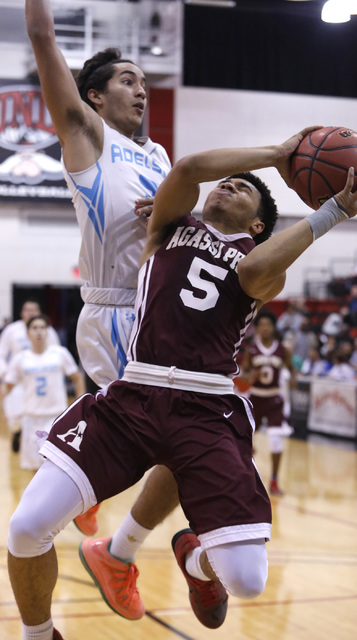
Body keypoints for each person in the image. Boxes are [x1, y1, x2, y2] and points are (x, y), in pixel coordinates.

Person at [8, 127, 357, 640]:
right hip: (135, 395)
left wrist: (333, 213)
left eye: (243, 190)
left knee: (249, 581)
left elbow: (259, 261)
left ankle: (196, 563)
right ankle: (38, 635)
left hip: (206, 408)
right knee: (25, 528)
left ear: (259, 222)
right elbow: (190, 169)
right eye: (227, 183)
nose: (227, 186)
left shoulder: (263, 264)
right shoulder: (168, 227)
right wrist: (278, 154)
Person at [25, 0, 182, 598]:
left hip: (156, 311)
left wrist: (179, 213)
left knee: (192, 438)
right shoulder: (88, 139)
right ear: (93, 97)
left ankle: (107, 533)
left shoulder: (159, 157)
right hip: (115, 313)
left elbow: (171, 237)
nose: (141, 90)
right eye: (126, 80)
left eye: (144, 81)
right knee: (182, 440)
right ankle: (113, 540)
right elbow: (42, 35)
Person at [4, 315, 85, 471]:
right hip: (30, 419)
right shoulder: (20, 359)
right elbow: (7, 386)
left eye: (42, 328)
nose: (39, 332)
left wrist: (79, 403)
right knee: (34, 470)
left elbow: (77, 378)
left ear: (48, 332)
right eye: (34, 328)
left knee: (56, 468)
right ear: (28, 333)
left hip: (55, 417)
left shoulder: (59, 353)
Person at [241, 310, 295, 496]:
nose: (265, 328)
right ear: (257, 329)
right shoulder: (251, 350)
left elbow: (292, 370)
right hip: (255, 398)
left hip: (274, 399)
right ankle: (245, 479)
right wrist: (250, 376)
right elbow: (244, 376)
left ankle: (274, 480)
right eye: (262, 325)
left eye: (268, 325)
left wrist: (293, 379)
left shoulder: (283, 350)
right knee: (245, 443)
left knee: (276, 441)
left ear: (273, 327)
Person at [0, 300, 60, 452]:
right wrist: (5, 373)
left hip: (39, 378)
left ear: (39, 313)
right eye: (28, 310)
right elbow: (1, 354)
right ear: (22, 313)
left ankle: (38, 442)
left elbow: (56, 355)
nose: (31, 313)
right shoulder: (11, 330)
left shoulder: (49, 332)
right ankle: (16, 432)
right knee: (14, 414)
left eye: (34, 310)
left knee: (34, 413)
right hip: (17, 380)